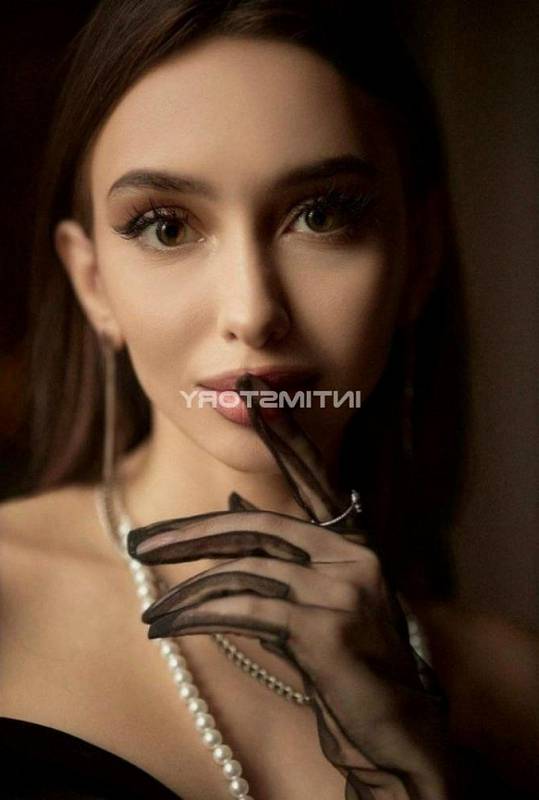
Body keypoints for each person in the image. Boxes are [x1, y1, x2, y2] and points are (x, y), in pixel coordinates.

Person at [0, 1, 472, 798]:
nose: (252, 312)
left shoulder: (514, 689)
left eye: (320, 215)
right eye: (166, 227)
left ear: (417, 255)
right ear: (92, 282)